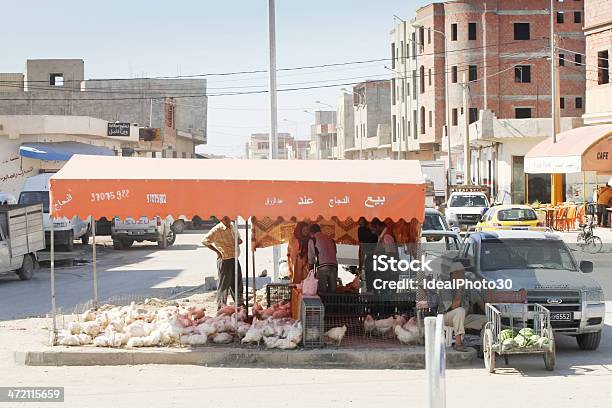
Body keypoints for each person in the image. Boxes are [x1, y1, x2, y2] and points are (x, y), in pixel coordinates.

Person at [438, 263, 486, 352]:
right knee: (460, 310)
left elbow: (478, 300)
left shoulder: (466, 285)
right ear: (453, 274)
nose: (463, 275)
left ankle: (484, 348)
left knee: (487, 320)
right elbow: (454, 306)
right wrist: (459, 289)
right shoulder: (445, 286)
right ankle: (458, 343)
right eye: (461, 273)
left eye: (463, 273)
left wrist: (488, 313)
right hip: (446, 318)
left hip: (463, 318)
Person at [201, 216, 244, 310]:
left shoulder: (232, 226)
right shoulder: (217, 229)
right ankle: (221, 307)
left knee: (237, 282)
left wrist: (239, 241)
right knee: (224, 284)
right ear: (221, 219)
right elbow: (205, 241)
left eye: (229, 218)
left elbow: (238, 239)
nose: (228, 220)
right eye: (226, 219)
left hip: (234, 258)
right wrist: (217, 252)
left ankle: (240, 304)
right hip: (225, 259)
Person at [307, 224, 338, 294]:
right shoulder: (330, 239)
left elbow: (310, 257)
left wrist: (309, 271)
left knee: (321, 292)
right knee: (333, 293)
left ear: (311, 233)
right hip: (334, 266)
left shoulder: (313, 240)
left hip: (322, 267)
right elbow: (335, 252)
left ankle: (323, 304)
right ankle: (331, 304)